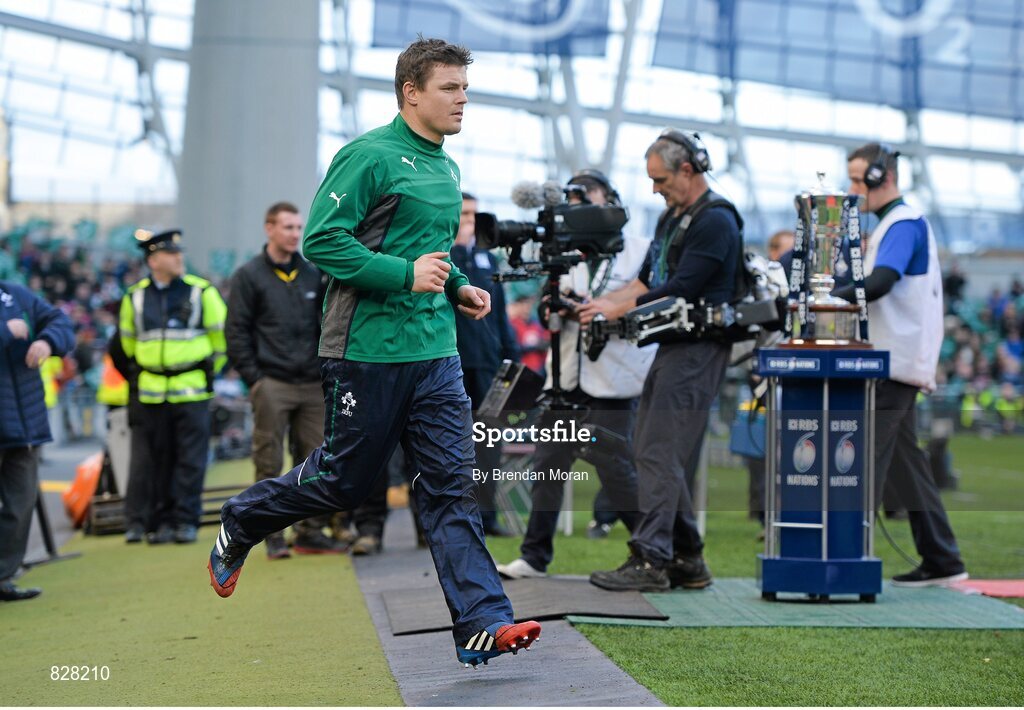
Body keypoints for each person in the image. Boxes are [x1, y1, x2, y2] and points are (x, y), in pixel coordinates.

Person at [207, 37, 540, 668]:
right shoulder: (368, 156)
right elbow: (321, 242)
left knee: (450, 487)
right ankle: (243, 518)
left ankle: (482, 622)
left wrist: (462, 287)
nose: (462, 100)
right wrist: (403, 275)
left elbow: (431, 255)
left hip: (435, 352)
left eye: (465, 88)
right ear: (411, 91)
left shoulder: (446, 166)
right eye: (450, 88)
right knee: (345, 480)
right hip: (365, 349)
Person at [578, 129, 742, 592]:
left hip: (699, 348)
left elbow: (681, 287)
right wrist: (603, 303)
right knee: (652, 449)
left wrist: (619, 306)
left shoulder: (716, 220)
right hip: (673, 347)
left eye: (661, 179)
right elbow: (647, 280)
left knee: (656, 451)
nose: (655, 189)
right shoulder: (675, 216)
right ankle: (688, 560)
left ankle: (652, 560)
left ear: (688, 170)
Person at [497, 170, 654, 579]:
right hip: (565, 378)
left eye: (588, 195)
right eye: (572, 198)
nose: (579, 205)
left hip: (615, 380)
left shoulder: (641, 250)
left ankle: (654, 550)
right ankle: (533, 557)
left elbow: (651, 301)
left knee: (616, 470)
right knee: (547, 466)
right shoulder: (565, 253)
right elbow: (547, 309)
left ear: (612, 200)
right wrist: (556, 306)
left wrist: (603, 308)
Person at [833, 142, 967, 586]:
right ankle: (943, 559)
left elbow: (882, 282)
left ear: (881, 178)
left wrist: (831, 297)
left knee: (862, 457)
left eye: (857, 179)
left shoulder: (902, 223)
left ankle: (844, 561)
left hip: (895, 360)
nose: (852, 189)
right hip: (892, 358)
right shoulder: (895, 223)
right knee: (907, 466)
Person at [226, 202, 344, 559]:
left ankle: (310, 533)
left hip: (310, 382)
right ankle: (270, 536)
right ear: (269, 229)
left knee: (314, 464)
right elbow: (236, 332)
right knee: (269, 460)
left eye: (298, 227)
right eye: (288, 227)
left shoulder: (313, 274)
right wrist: (256, 379)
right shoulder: (248, 275)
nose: (295, 234)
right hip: (271, 383)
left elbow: (325, 325)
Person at [119, 230, 228, 545]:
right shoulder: (134, 297)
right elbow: (127, 343)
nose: (179, 257)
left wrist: (205, 373)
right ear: (153, 260)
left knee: (191, 460)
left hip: (192, 391)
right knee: (157, 459)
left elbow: (221, 341)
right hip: (152, 393)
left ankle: (185, 520)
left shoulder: (201, 291)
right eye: (170, 253)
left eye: (179, 252)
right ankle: (160, 522)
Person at [451, 191, 519, 537]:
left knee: (489, 444)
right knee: (451, 446)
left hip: (489, 367)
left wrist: (512, 359)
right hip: (452, 368)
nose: (470, 223)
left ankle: (487, 517)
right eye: (463, 215)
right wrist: (458, 248)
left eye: (474, 216)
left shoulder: (488, 261)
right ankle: (454, 519)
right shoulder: (443, 258)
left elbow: (502, 315)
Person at [0, 280, 74, 601]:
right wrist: (4, 329)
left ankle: (3, 576)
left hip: (23, 424)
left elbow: (60, 322)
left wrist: (47, 341)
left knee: (21, 503)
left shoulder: (13, 293)